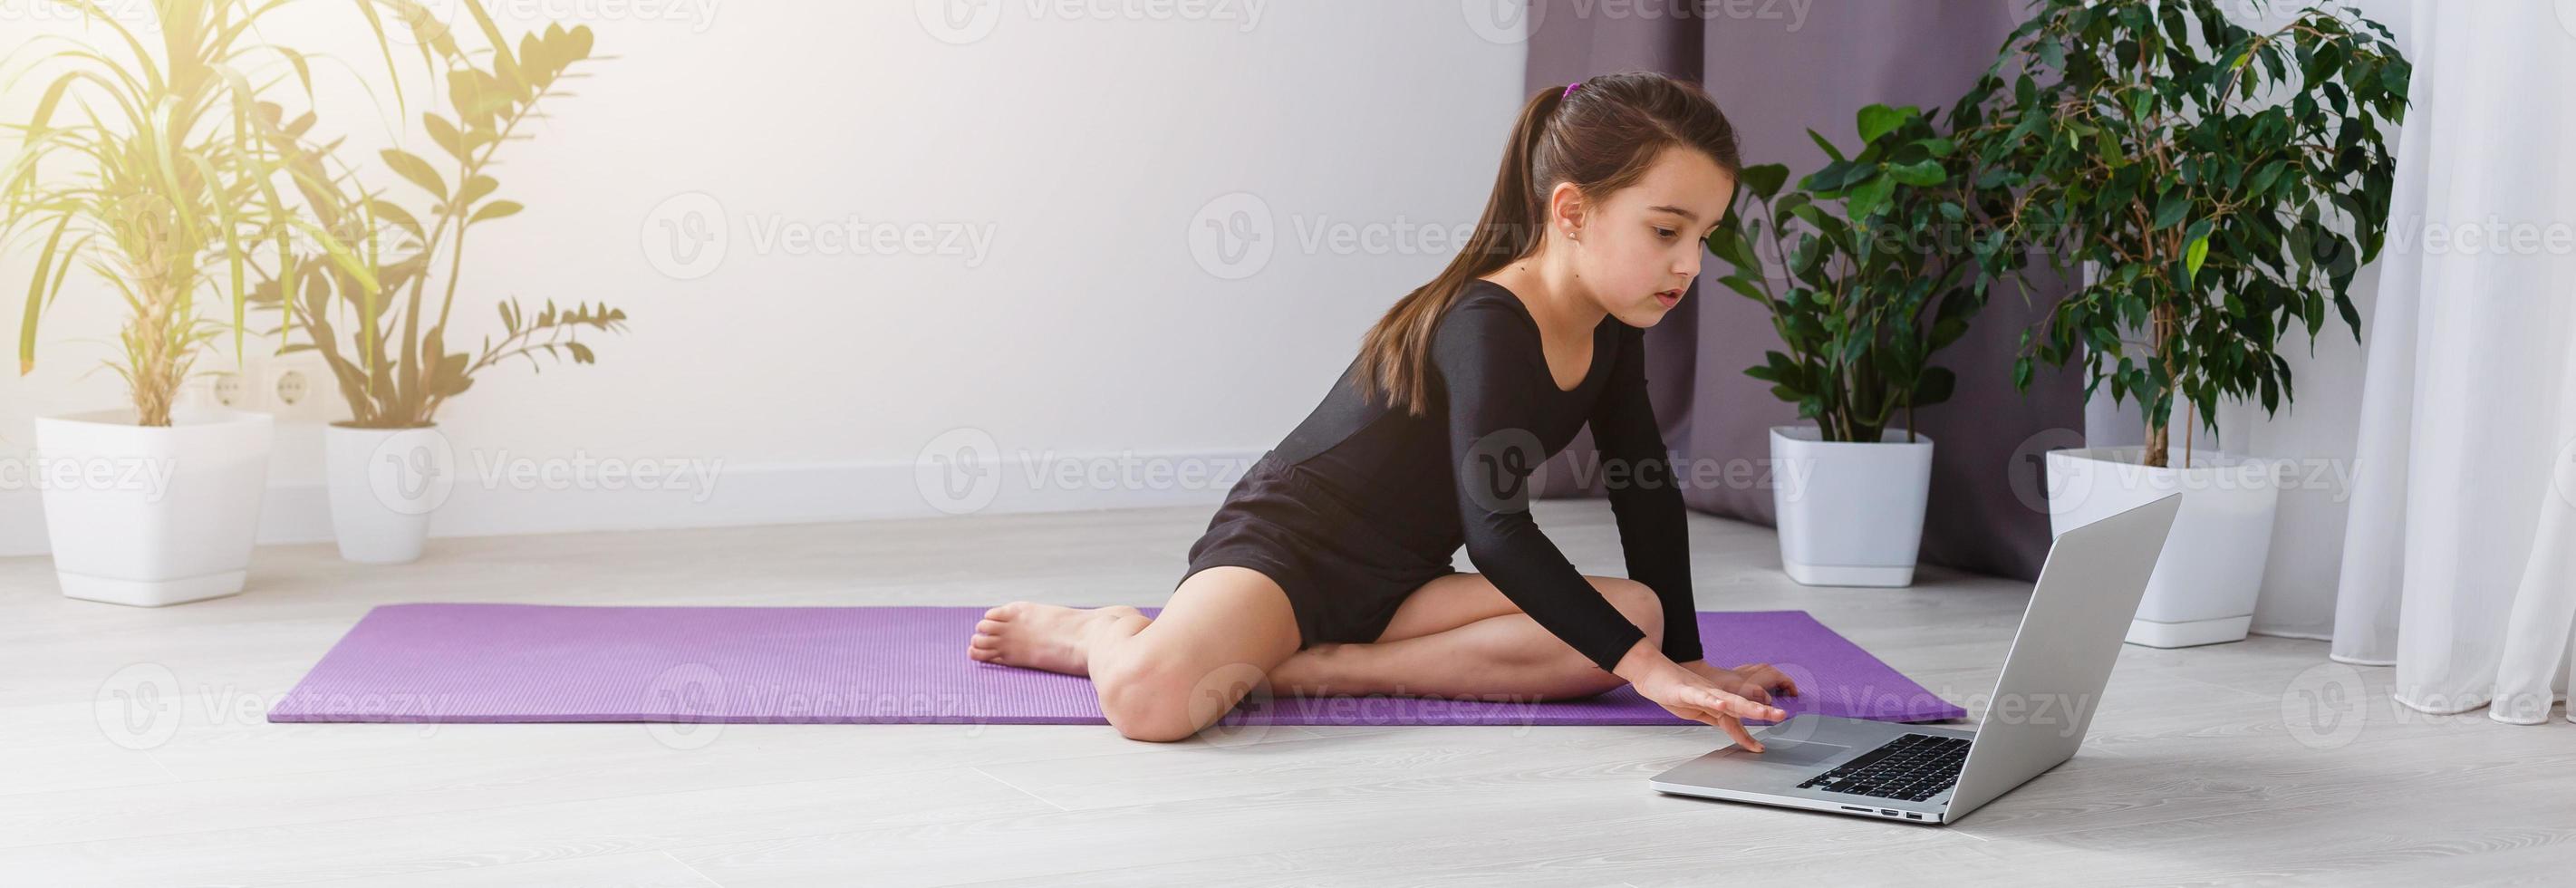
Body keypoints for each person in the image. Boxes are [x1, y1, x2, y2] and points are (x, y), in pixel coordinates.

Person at [969, 72, 1799, 748]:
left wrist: (1684, 659)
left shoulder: (1613, 330)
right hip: (1289, 556)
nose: (1689, 263)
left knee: (1636, 619)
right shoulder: (1486, 322)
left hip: (1405, 587)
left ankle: (1317, 671)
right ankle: (1104, 632)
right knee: (1150, 706)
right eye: (1665, 231)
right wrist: (1649, 675)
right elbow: (1498, 531)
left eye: (1705, 236)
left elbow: (1643, 490)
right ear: (1572, 211)